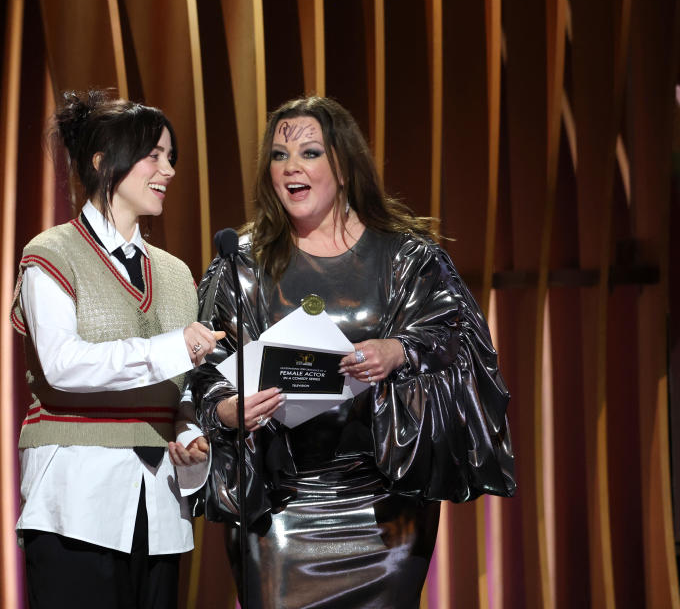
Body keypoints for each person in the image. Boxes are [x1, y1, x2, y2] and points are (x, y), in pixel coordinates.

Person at [191, 96, 516, 609]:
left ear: (343, 166)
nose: (291, 168)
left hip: (384, 506)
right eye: (279, 156)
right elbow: (205, 369)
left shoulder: (409, 257)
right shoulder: (243, 265)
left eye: (309, 153)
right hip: (281, 503)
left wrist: (400, 351)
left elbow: (463, 351)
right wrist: (229, 410)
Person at [10, 90, 217, 609]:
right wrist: (170, 346)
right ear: (103, 163)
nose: (167, 169)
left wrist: (191, 438)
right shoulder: (51, 252)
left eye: (170, 157)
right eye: (154, 155)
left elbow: (181, 392)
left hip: (160, 505)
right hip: (75, 501)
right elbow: (63, 365)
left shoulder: (174, 273)